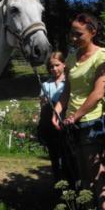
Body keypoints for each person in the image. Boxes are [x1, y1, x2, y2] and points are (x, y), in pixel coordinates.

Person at [51, 13, 105, 210]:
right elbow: (67, 90)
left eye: (78, 34)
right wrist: (57, 110)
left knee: (96, 172)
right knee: (81, 173)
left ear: (93, 32)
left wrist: (76, 115)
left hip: (91, 121)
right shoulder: (71, 56)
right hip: (71, 123)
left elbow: (98, 93)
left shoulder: (102, 55)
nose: (73, 38)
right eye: (72, 34)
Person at [37, 51, 66, 182]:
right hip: (50, 127)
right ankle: (59, 183)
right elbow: (42, 107)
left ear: (64, 64)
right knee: (54, 157)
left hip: (65, 125)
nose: (54, 69)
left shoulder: (68, 84)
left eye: (57, 65)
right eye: (51, 66)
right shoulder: (46, 85)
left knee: (66, 156)